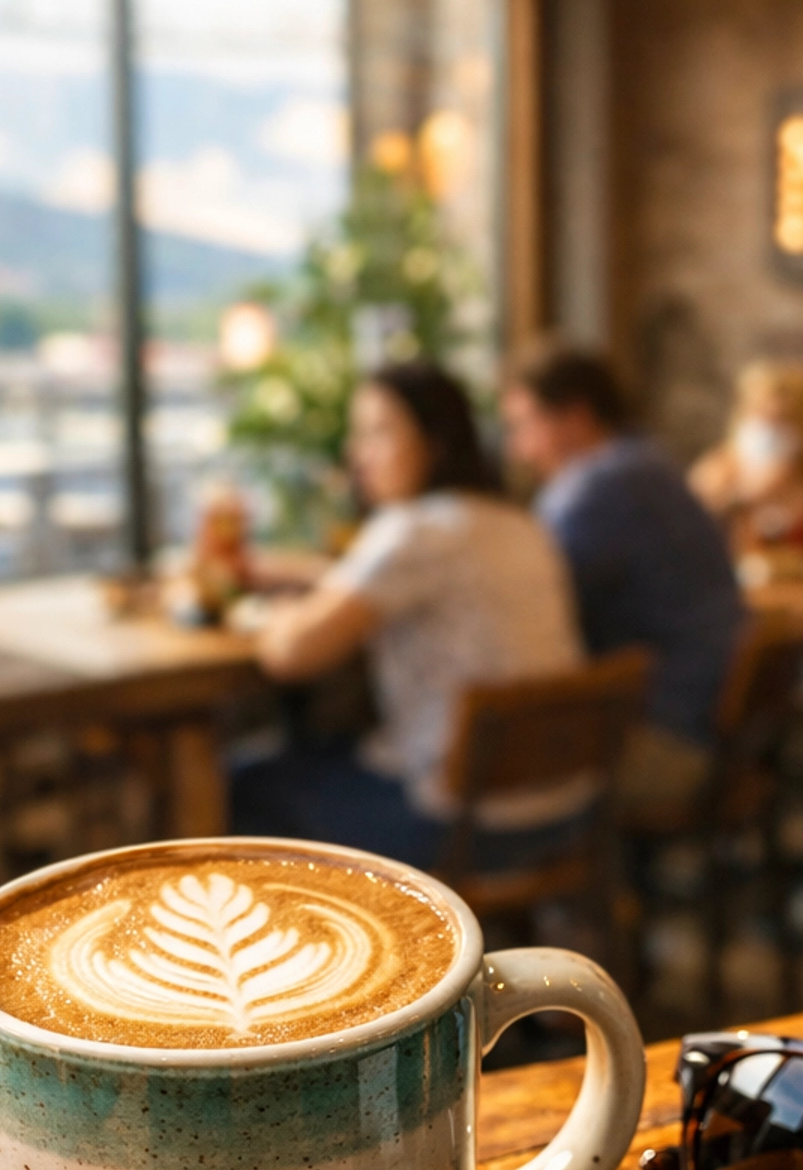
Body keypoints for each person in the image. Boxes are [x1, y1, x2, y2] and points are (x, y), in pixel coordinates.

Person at [235, 361, 585, 870]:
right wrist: (314, 576)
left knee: (247, 782)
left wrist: (274, 614)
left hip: (456, 825)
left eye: (378, 432)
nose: (358, 454)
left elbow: (288, 656)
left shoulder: (411, 530)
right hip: (564, 808)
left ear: (435, 441)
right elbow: (394, 578)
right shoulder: (519, 522)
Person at [501, 339, 744, 818]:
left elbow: (526, 601)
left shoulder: (597, 489)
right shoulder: (647, 464)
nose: (519, 448)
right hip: (712, 729)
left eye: (525, 425)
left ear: (575, 417)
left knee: (466, 774)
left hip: (663, 741)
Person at [689, 361, 803, 558]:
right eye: (759, 415)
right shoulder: (717, 472)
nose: (768, 430)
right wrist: (742, 498)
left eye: (781, 420)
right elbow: (689, 542)